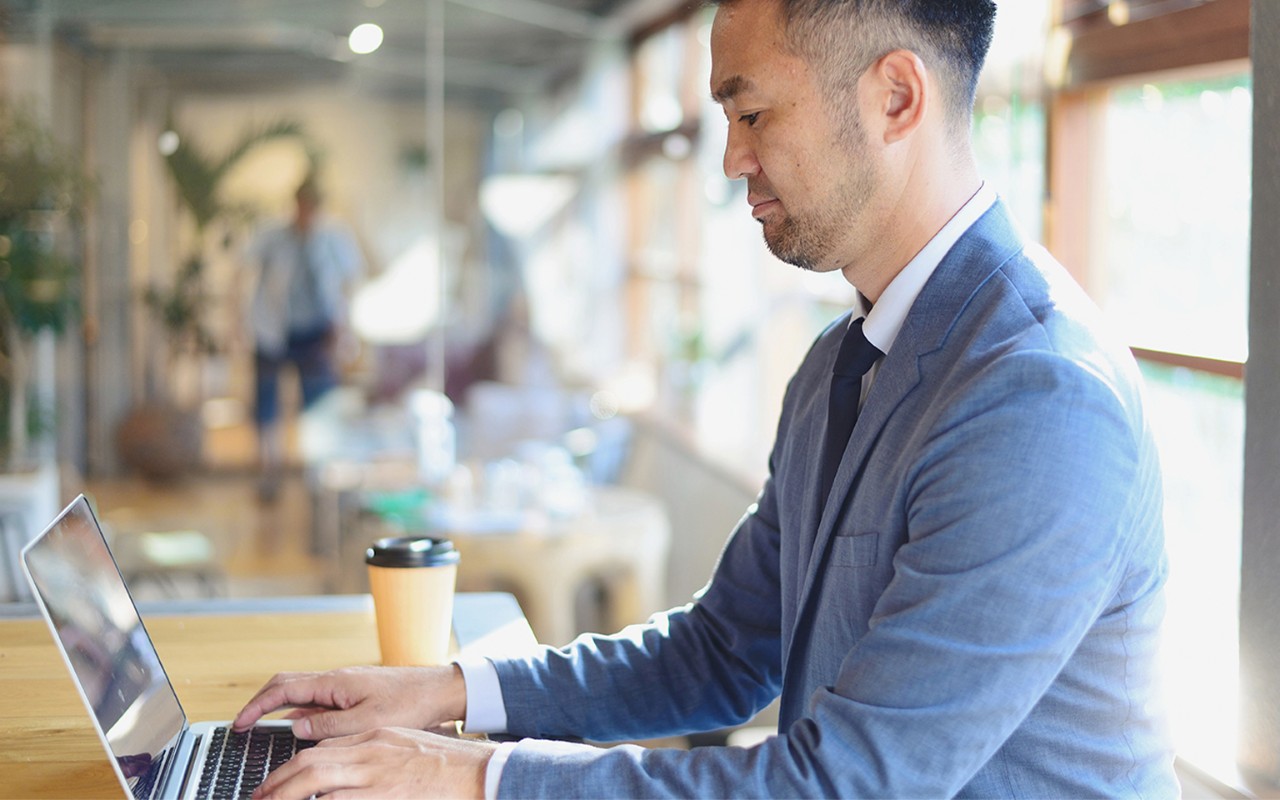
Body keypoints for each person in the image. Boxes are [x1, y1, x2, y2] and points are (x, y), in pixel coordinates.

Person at [234, 0, 1178, 796]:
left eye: (754, 113)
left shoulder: (1037, 397)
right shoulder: (838, 364)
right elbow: (722, 651)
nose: (730, 160)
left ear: (896, 97)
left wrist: (468, 775)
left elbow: (844, 783)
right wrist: (444, 695)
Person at [247, 177, 362, 502]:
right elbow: (246, 270)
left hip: (316, 331)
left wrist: (344, 327)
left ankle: (317, 477)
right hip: (274, 330)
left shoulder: (334, 237)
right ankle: (269, 471)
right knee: (267, 403)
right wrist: (239, 324)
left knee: (318, 405)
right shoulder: (272, 236)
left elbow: (350, 280)